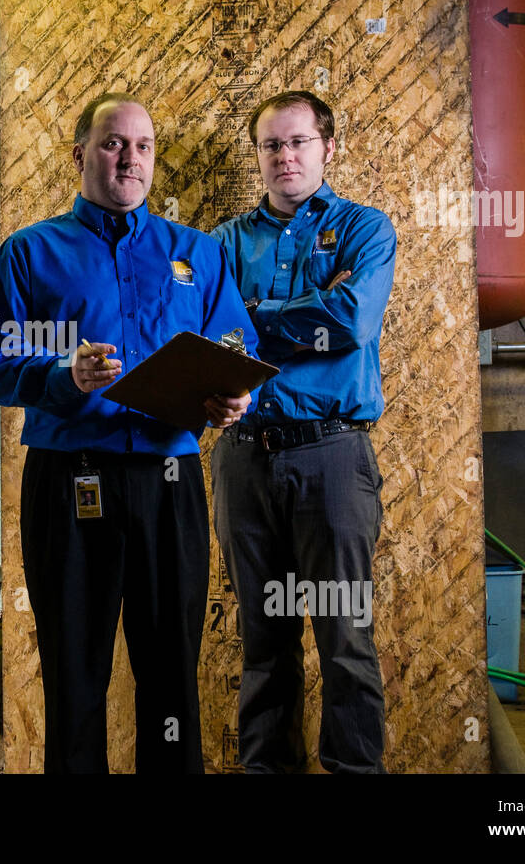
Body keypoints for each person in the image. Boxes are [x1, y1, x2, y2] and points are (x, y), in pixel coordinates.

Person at [0, 92, 258, 773]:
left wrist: (234, 394)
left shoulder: (197, 253)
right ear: (79, 155)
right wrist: (63, 375)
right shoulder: (30, 254)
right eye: (112, 143)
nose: (129, 158)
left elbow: (235, 337)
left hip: (169, 481)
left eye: (143, 146)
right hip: (71, 481)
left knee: (170, 677)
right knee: (75, 672)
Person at [210, 90, 396, 774]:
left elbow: (351, 321)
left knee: (345, 639)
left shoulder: (365, 229)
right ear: (258, 155)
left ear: (329, 148)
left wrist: (254, 316)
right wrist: (303, 310)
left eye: (299, 142)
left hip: (331, 456)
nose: (285, 156)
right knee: (264, 644)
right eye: (271, 145)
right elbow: (209, 329)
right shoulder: (227, 241)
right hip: (243, 460)